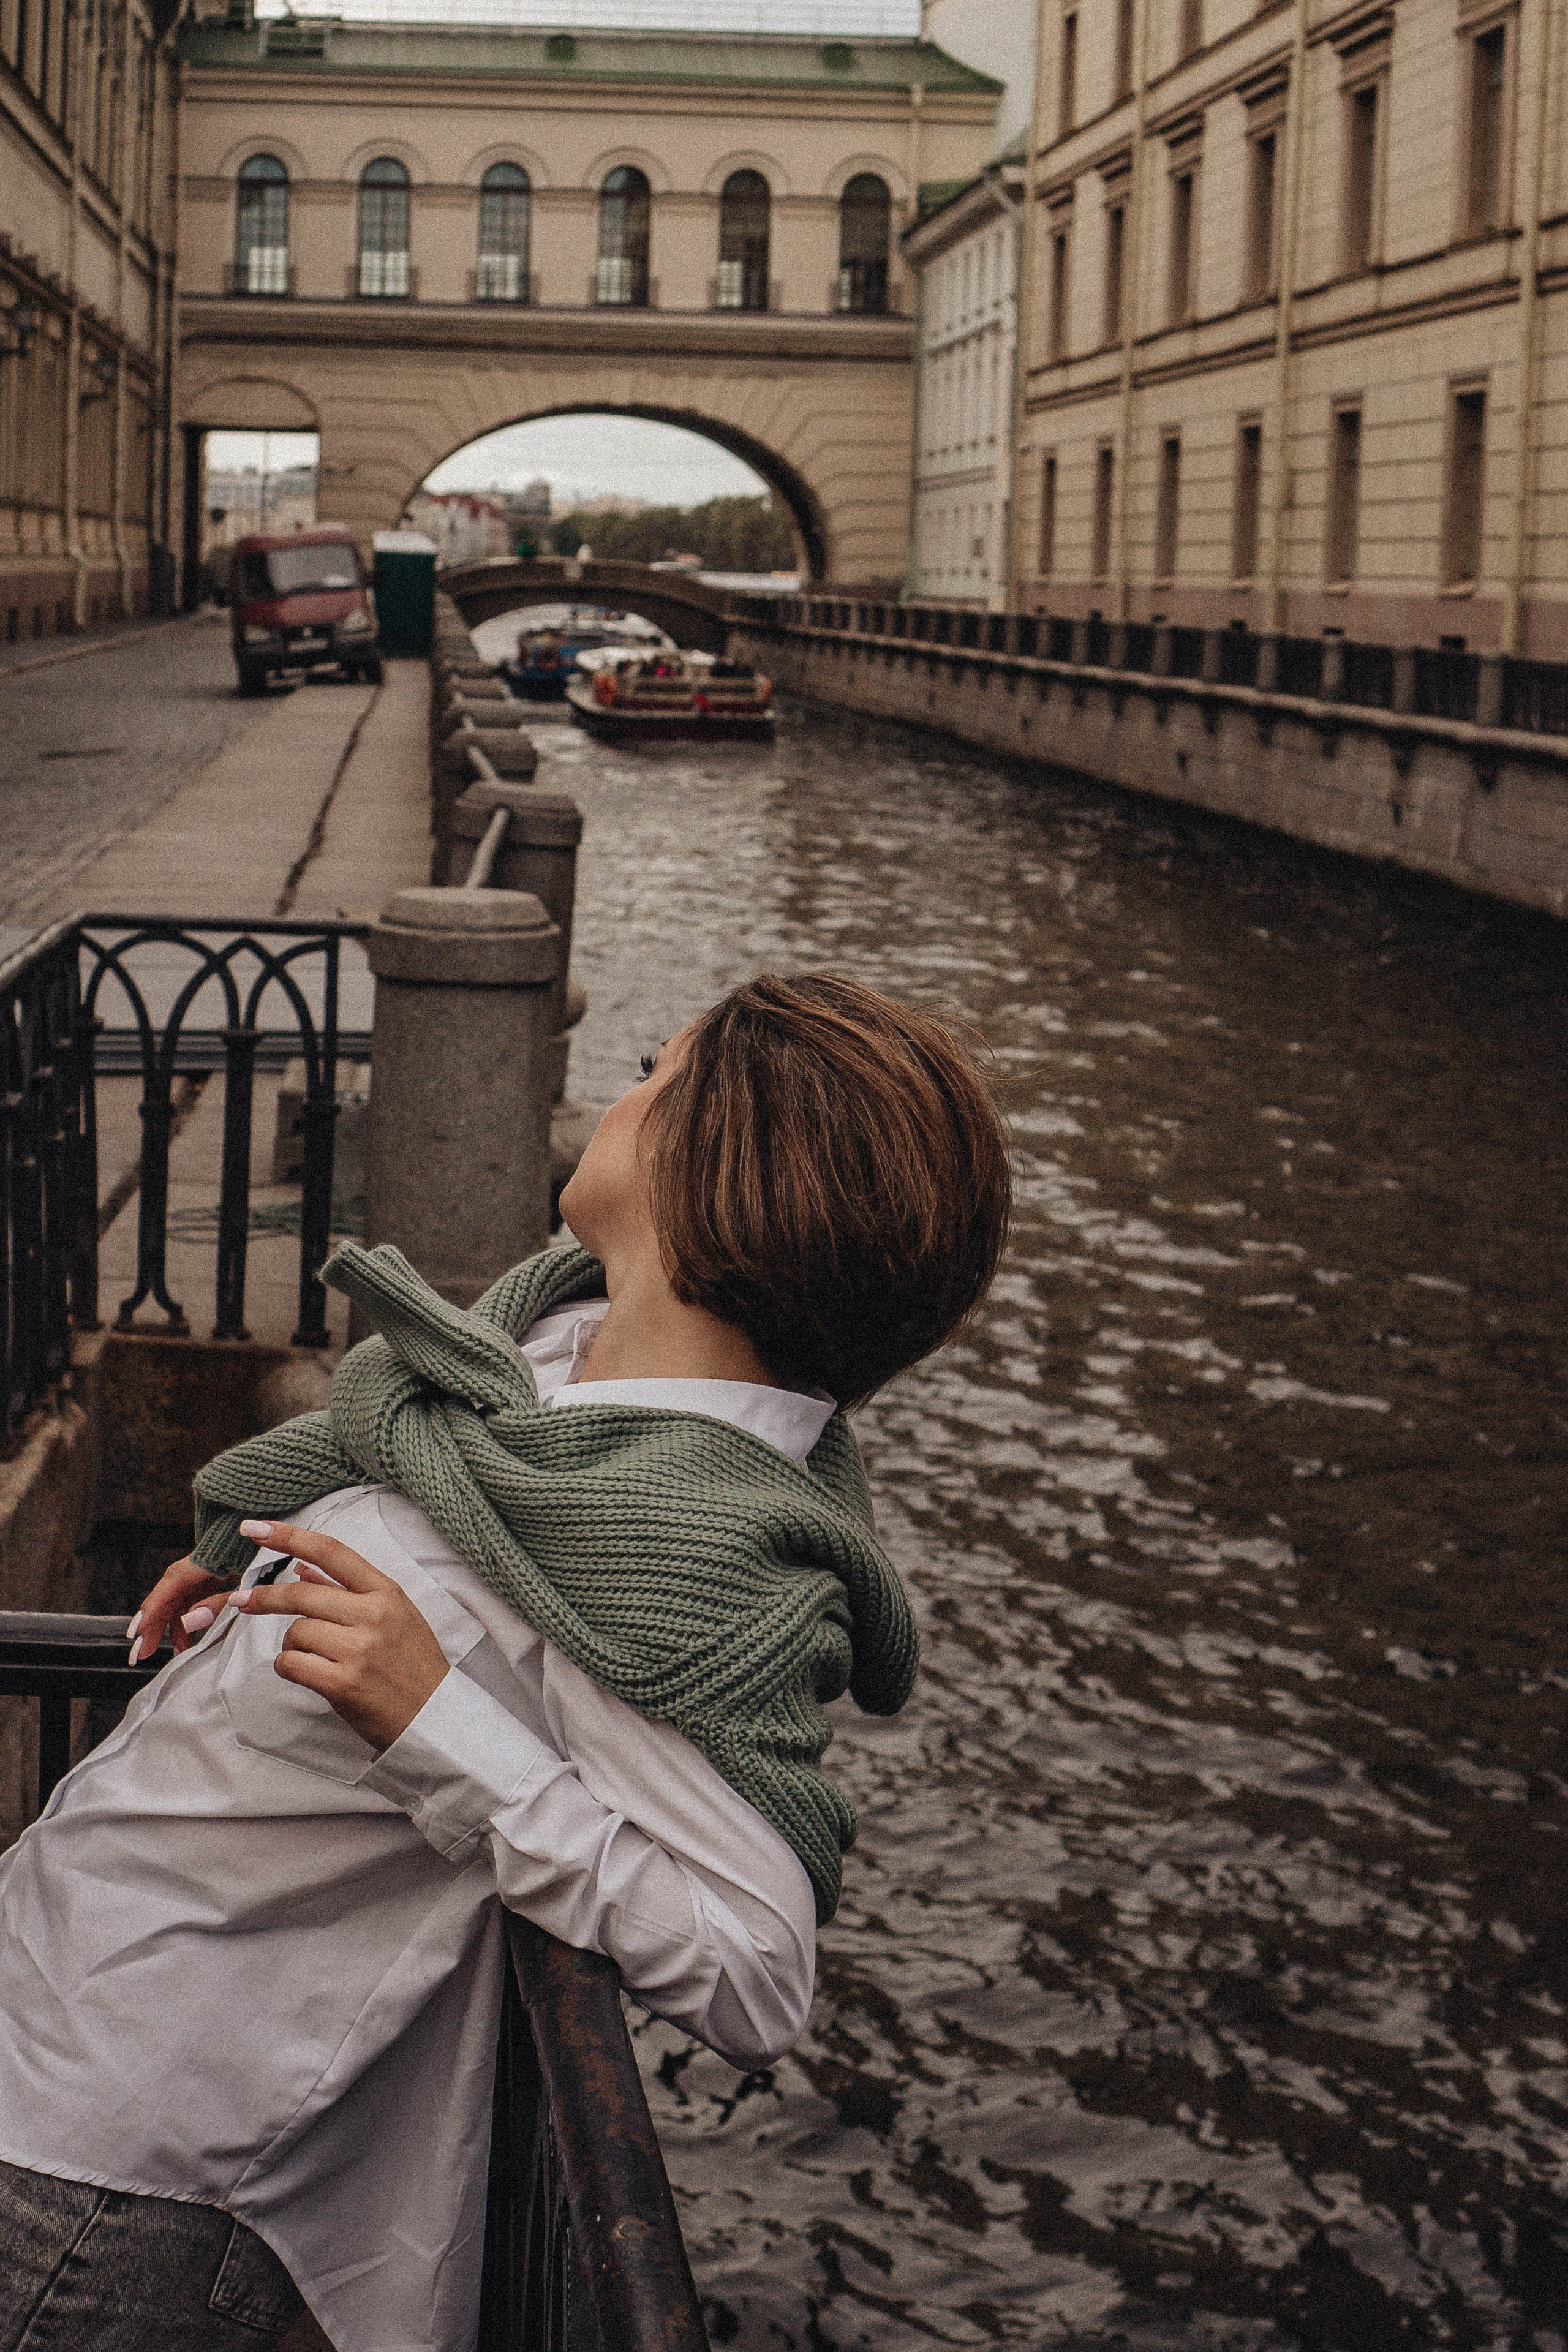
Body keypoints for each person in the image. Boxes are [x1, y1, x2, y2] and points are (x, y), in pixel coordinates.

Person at [0, 973, 1011, 2352]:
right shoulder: (550, 1388)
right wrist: (263, 1545)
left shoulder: (670, 1547)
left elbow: (754, 1968)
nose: (625, 1084)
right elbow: (420, 1488)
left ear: (720, 1162)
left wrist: (438, 1726)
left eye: (661, 1068)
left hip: (117, 2166)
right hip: (55, 2021)